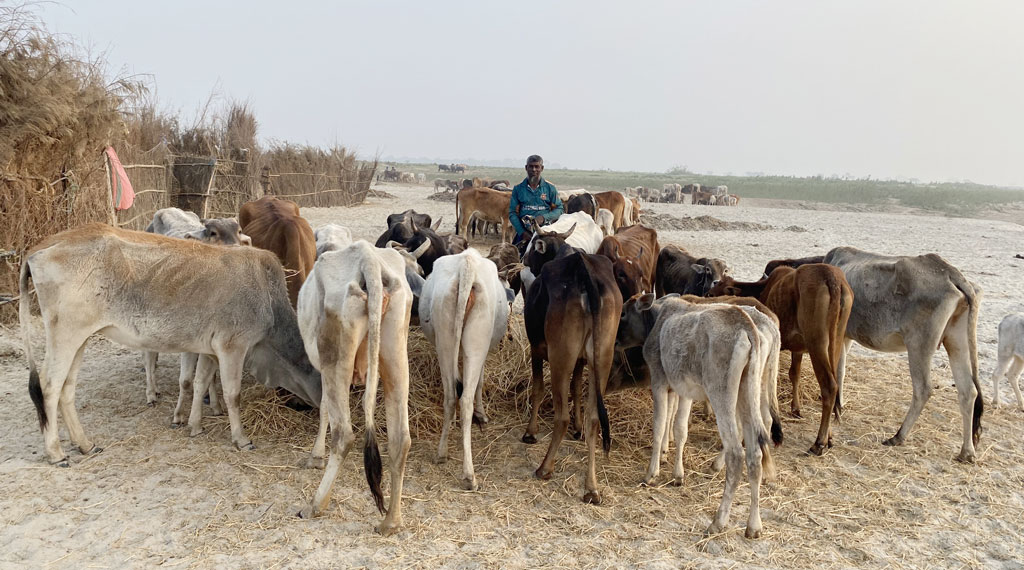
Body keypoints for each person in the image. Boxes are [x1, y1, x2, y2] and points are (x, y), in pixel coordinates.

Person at [509, 155, 563, 243]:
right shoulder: (518, 188)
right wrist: (522, 232)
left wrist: (543, 218)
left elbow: (559, 209)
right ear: (526, 168)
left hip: (545, 230)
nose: (534, 169)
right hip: (524, 231)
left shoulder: (550, 188)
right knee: (513, 251)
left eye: (537, 166)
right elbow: (512, 213)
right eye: (531, 166)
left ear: (542, 168)